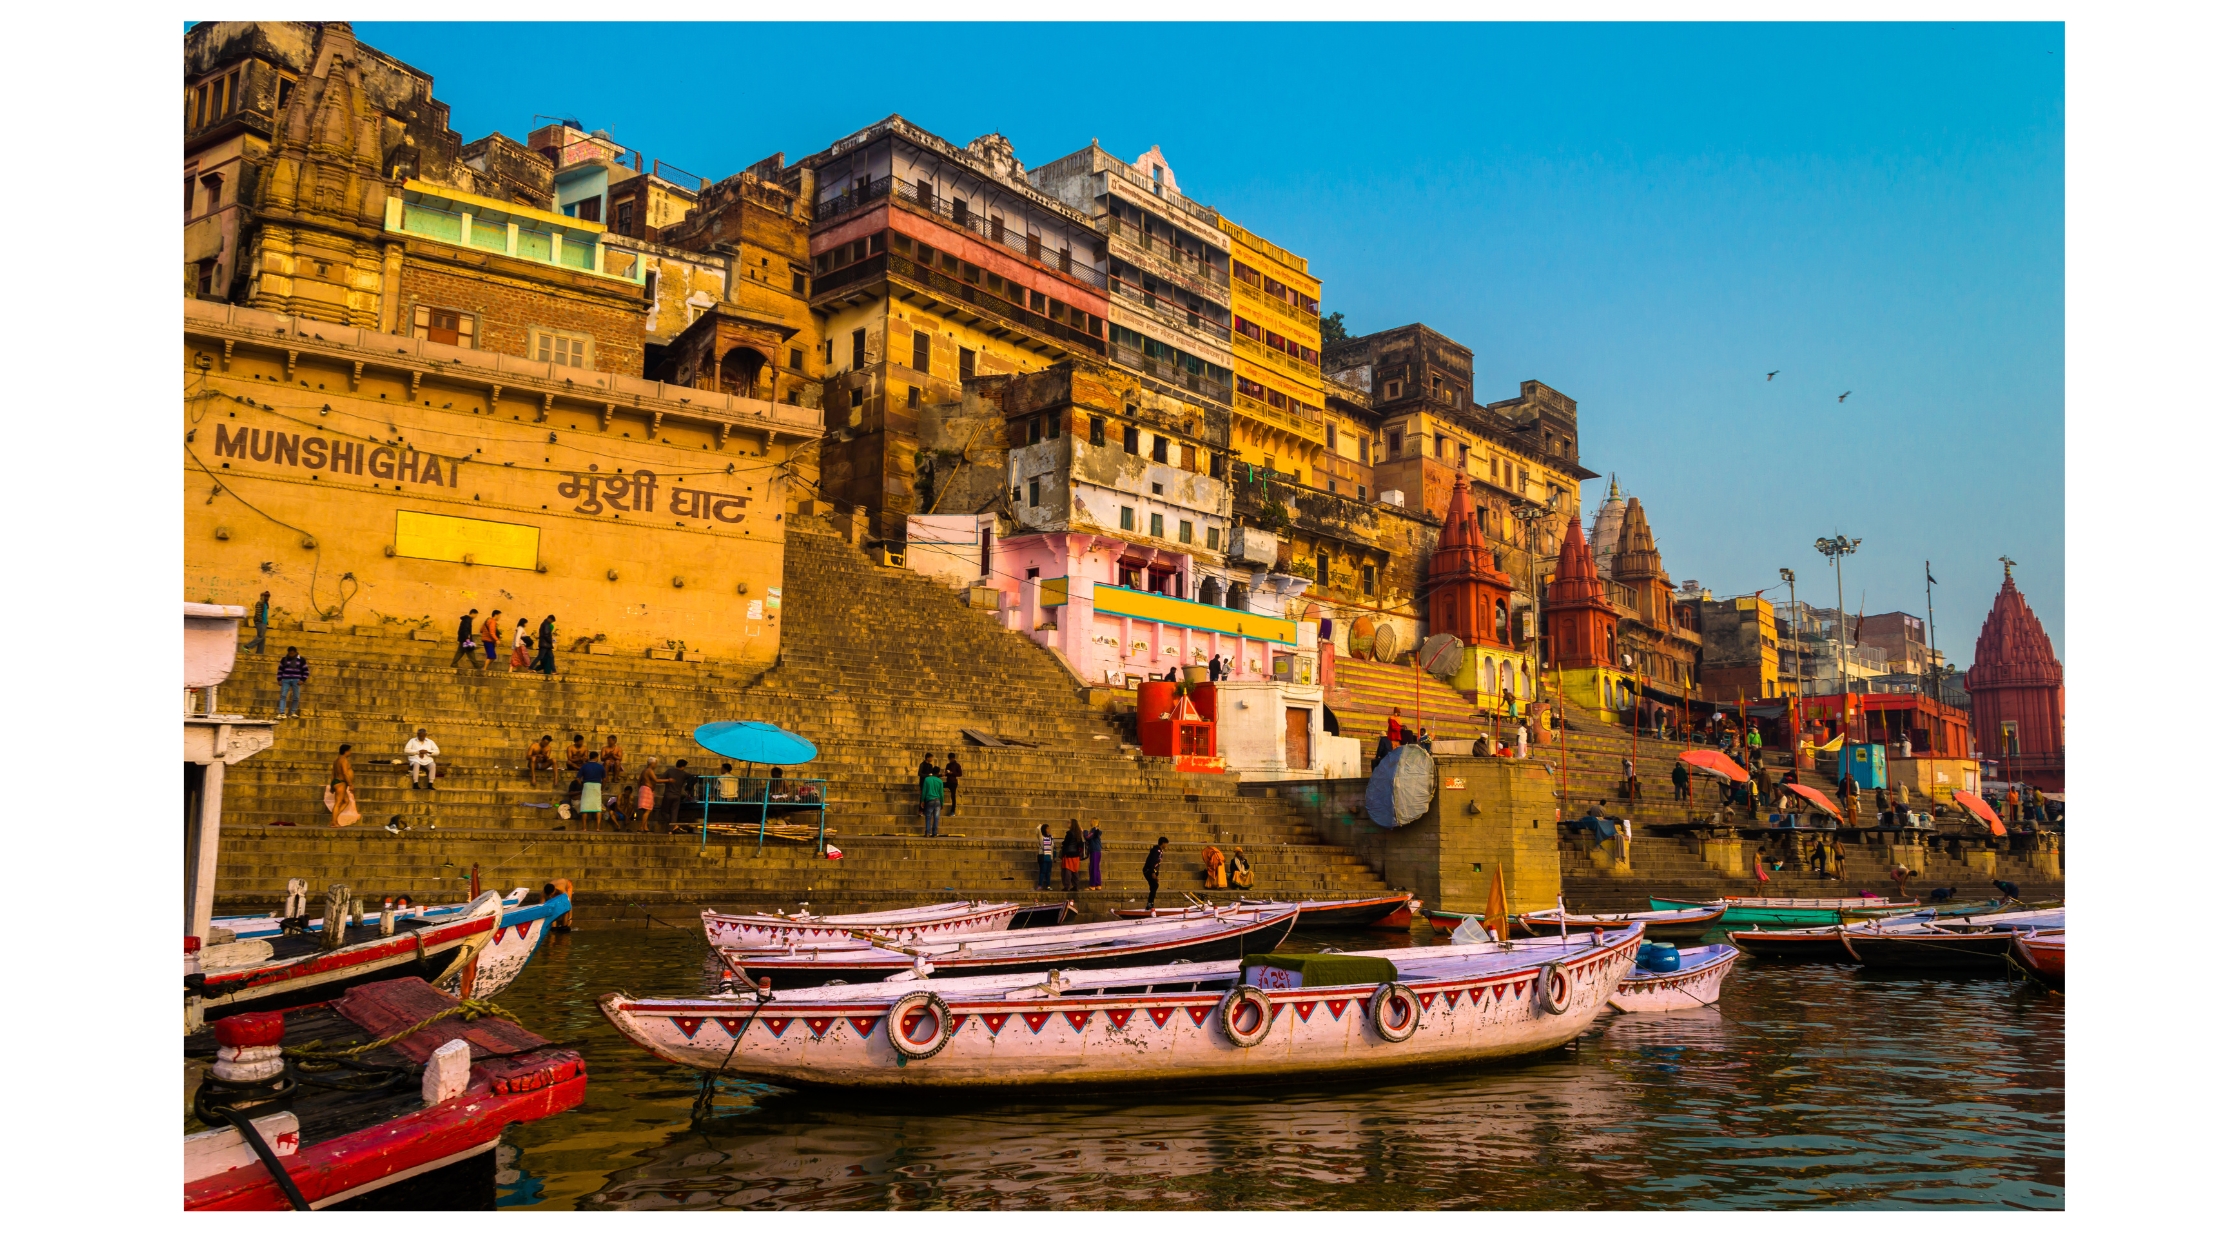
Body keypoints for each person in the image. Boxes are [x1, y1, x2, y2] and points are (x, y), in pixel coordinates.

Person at [276, 647, 309, 718]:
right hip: (285, 680)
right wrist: (279, 679)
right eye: (289, 653)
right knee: (283, 696)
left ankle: (292, 712)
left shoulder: (301, 660)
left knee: (296, 697)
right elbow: (280, 670)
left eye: (292, 653)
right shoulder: (284, 659)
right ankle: (282, 712)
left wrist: (302, 680)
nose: (291, 654)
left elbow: (306, 671)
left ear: (295, 652)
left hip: (296, 680)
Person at [576, 753, 605, 832]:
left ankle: (584, 828)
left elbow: (578, 778)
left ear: (590, 757)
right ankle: (598, 828)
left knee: (585, 807)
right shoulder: (600, 767)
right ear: (596, 758)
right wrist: (602, 788)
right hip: (597, 786)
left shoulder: (584, 766)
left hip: (587, 785)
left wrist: (582, 785)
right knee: (598, 808)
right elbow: (605, 779)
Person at [1143, 837, 1168, 909]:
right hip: (1148, 870)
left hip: (1152, 871)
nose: (1166, 845)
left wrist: (1156, 875)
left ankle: (1150, 904)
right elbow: (1151, 862)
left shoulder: (1159, 851)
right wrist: (1152, 873)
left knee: (1154, 886)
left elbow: (1157, 864)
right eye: (1166, 844)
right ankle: (1150, 904)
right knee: (1154, 885)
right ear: (1163, 843)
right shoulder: (1156, 851)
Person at [1060, 821, 1085, 893]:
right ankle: (1075, 885)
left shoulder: (1069, 833)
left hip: (1068, 854)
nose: (1067, 823)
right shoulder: (1078, 833)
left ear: (1072, 824)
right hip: (1076, 855)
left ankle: (1066, 886)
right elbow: (1080, 844)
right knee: (1075, 871)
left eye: (1069, 822)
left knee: (1067, 870)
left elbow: (1065, 843)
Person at [635, 758, 659, 833]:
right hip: (647, 790)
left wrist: (641, 788)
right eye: (655, 763)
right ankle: (641, 827)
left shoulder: (644, 771)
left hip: (644, 789)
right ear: (651, 763)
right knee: (648, 810)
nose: (656, 765)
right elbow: (656, 780)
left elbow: (639, 781)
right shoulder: (649, 770)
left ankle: (645, 827)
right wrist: (668, 780)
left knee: (645, 810)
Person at [920, 765, 944, 836]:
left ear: (932, 772)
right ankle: (935, 833)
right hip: (937, 800)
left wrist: (922, 800)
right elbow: (941, 794)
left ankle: (927, 832)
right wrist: (942, 803)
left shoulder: (927, 779)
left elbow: (924, 791)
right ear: (938, 772)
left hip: (929, 800)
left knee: (928, 817)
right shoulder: (940, 781)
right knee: (936, 818)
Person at [1085, 819, 1105, 890]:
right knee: (1096, 868)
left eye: (1091, 821)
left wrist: (1084, 832)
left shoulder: (1094, 830)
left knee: (1093, 867)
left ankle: (1093, 885)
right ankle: (1098, 884)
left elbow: (1088, 837)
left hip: (1095, 850)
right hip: (1097, 850)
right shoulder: (1095, 830)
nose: (1089, 822)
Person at [1035, 824, 1055, 890]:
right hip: (1043, 856)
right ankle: (1040, 885)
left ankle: (1048, 885)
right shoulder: (1041, 837)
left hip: (1049, 856)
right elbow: (1037, 829)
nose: (1048, 830)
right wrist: (1041, 825)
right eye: (1047, 828)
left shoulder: (1051, 837)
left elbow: (1052, 847)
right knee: (1042, 871)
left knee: (1048, 872)